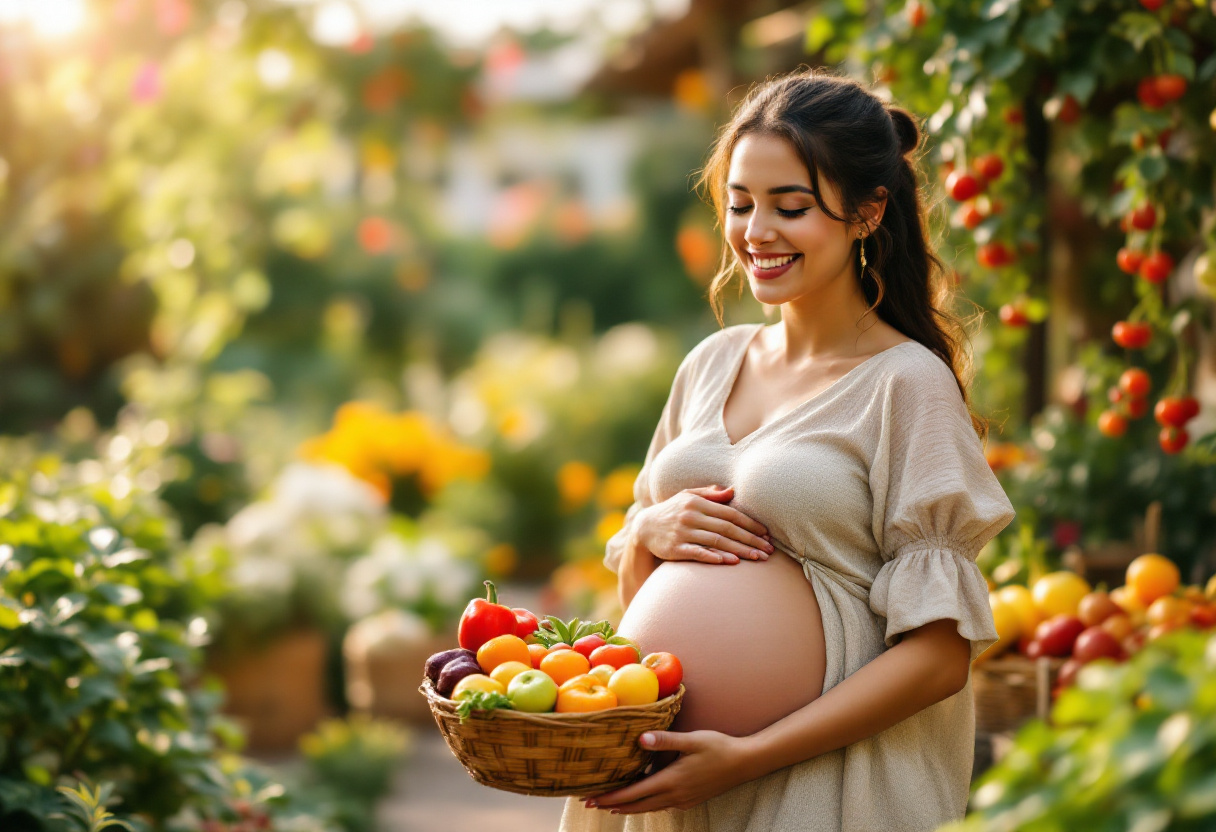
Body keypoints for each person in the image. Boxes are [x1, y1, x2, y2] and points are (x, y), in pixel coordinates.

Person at [556, 67, 1015, 832]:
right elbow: (641, 605)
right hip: (662, 779)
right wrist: (645, 535)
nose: (755, 232)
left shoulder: (905, 383)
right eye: (740, 204)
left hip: (817, 786)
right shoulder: (710, 365)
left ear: (867, 212)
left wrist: (749, 754)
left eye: (790, 207)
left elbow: (940, 658)